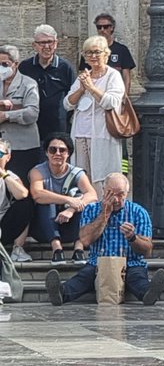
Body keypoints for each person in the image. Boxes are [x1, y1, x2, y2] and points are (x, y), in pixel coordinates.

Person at [43, 173, 164, 306]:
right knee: (84, 277)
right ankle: (60, 293)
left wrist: (133, 237)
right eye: (111, 194)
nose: (116, 199)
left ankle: (149, 293)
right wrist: (104, 214)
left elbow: (147, 250)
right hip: (98, 263)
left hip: (131, 263)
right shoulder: (91, 209)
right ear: (103, 191)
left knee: (136, 277)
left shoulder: (139, 212)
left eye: (120, 194)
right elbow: (85, 240)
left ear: (127, 193)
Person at [29, 134, 98, 264]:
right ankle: (57, 250)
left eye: (62, 150)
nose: (57, 153)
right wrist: (68, 200)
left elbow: (92, 195)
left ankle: (79, 249)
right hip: (44, 228)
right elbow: (37, 194)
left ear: (68, 154)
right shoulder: (38, 171)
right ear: (46, 153)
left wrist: (71, 209)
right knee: (46, 201)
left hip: (71, 227)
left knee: (86, 204)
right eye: (52, 150)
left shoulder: (77, 172)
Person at [65, 35, 126, 182]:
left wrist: (91, 88)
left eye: (97, 52)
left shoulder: (113, 76)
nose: (93, 56)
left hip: (102, 135)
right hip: (80, 134)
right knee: (82, 178)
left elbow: (112, 102)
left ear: (106, 54)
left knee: (102, 179)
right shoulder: (83, 76)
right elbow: (67, 104)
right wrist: (81, 89)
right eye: (88, 53)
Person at [0, 45, 40, 260]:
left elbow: (32, 112)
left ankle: (18, 246)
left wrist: (8, 114)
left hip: (23, 147)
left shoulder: (28, 83)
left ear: (15, 64)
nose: (1, 68)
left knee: (22, 194)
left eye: (4, 64)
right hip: (1, 148)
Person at [18, 24, 74, 142]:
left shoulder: (65, 67)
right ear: (34, 45)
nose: (47, 46)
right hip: (30, 126)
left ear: (56, 43)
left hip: (58, 127)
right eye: (42, 43)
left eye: (50, 42)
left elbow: (73, 96)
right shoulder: (25, 67)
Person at [82, 14, 137, 92]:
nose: (102, 29)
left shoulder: (122, 49)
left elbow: (126, 76)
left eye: (105, 27)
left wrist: (125, 94)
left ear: (112, 28)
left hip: (115, 90)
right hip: (94, 90)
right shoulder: (89, 50)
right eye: (99, 27)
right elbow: (83, 72)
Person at [0, 140, 32, 250]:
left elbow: (23, 194)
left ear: (8, 157)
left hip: (4, 227)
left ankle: (18, 249)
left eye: (0, 154)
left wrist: (3, 175)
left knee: (26, 203)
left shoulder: (10, 176)